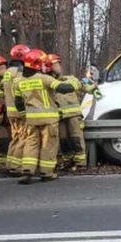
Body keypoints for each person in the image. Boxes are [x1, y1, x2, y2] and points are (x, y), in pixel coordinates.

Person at [17, 49, 77, 184]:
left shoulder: (19, 81)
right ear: (37, 64)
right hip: (49, 119)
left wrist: (24, 115)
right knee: (48, 145)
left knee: (31, 145)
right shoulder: (44, 78)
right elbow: (63, 88)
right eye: (43, 63)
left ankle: (27, 170)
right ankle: (46, 173)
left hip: (32, 119)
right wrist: (77, 84)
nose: (45, 66)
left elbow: (18, 102)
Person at [46, 53, 100, 171]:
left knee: (76, 139)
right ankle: (68, 162)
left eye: (59, 64)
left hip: (74, 116)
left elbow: (85, 87)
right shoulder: (48, 82)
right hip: (59, 116)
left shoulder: (71, 79)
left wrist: (95, 88)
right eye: (55, 64)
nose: (58, 66)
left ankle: (81, 164)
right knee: (63, 140)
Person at [2, 44, 29, 174]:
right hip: (19, 111)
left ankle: (10, 163)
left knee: (16, 138)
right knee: (24, 138)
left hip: (10, 111)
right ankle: (16, 166)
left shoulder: (7, 71)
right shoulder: (19, 72)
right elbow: (21, 91)